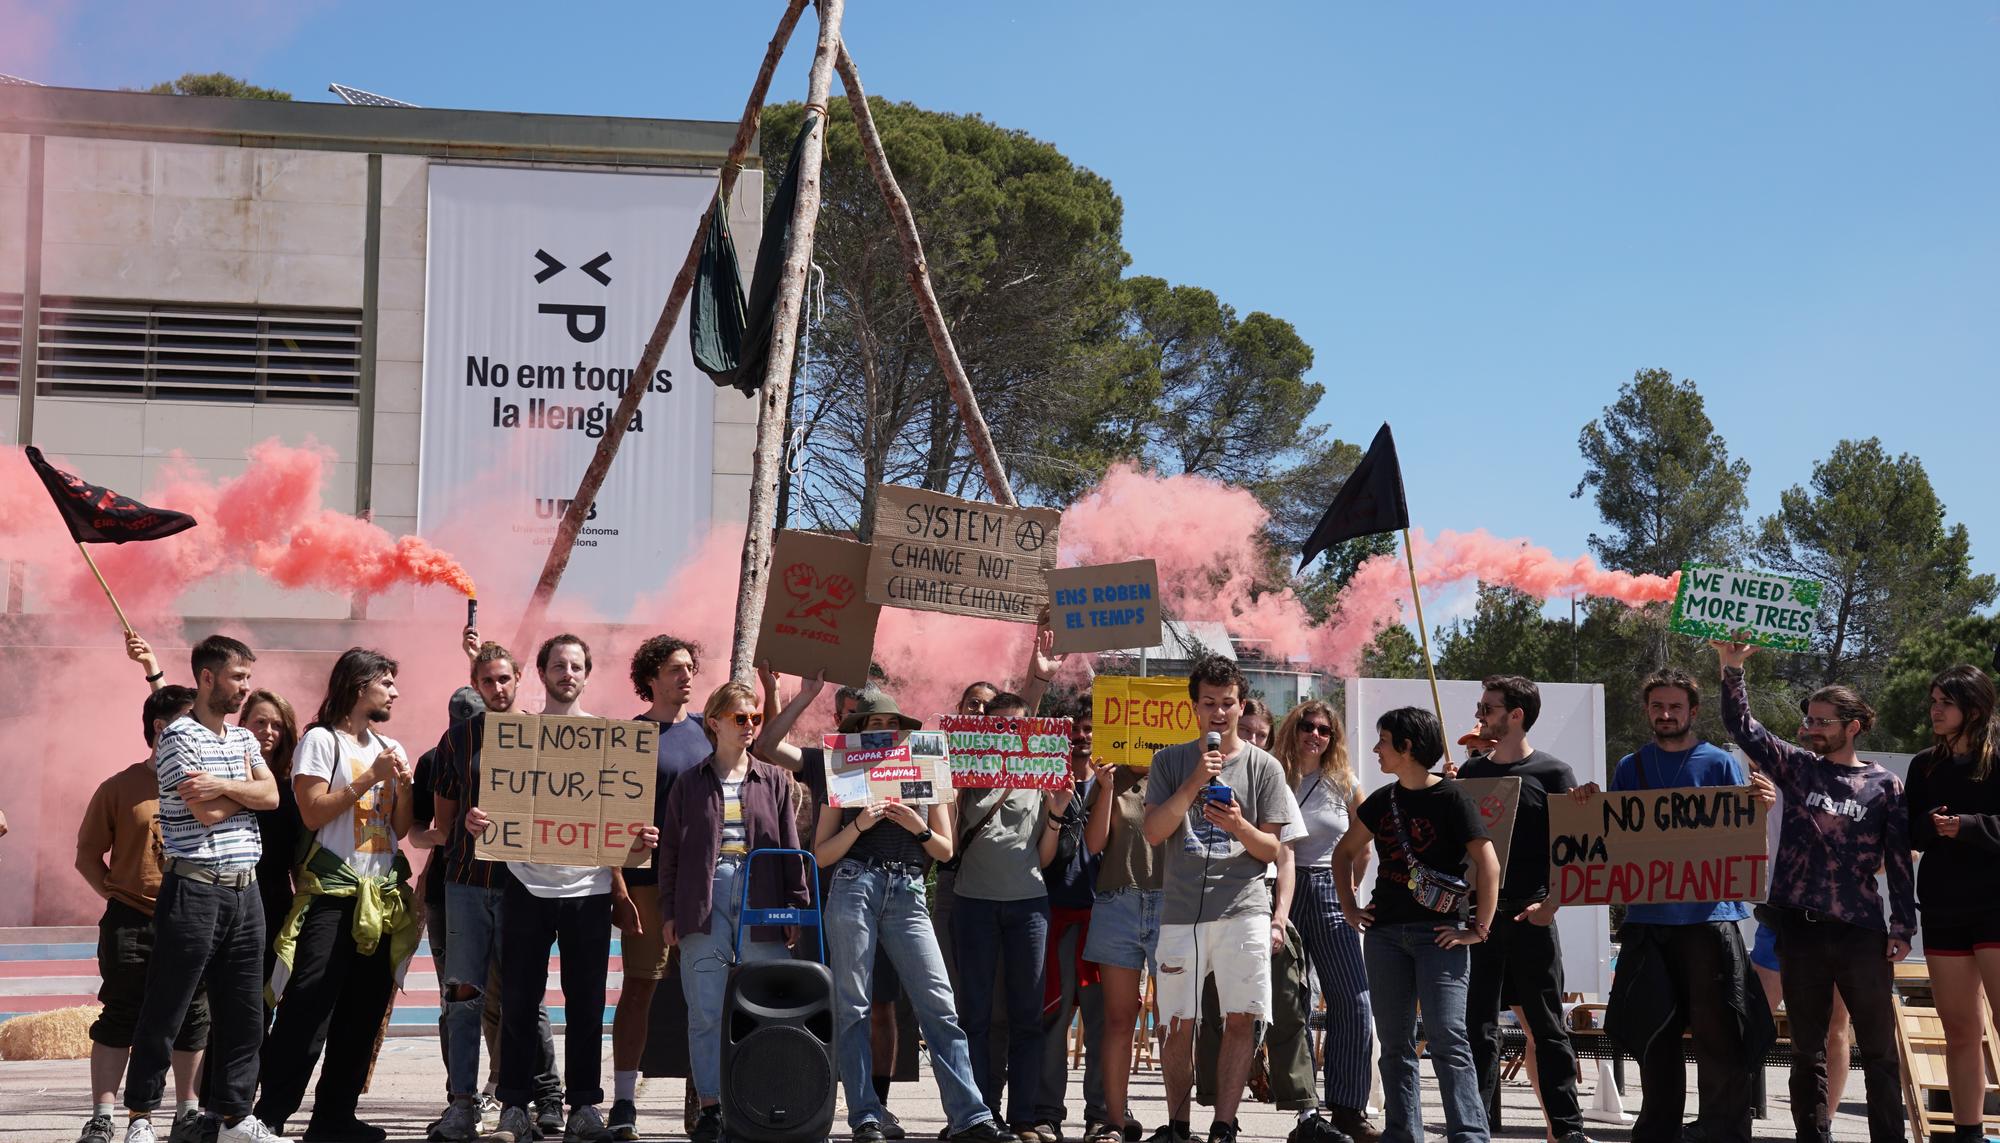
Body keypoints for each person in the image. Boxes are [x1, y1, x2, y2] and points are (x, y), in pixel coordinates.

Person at [1715, 641, 1914, 1143]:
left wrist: (1903, 927)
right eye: (1809, 720)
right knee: (1806, 1050)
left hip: (1861, 932)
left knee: (1879, 1050)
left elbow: (1898, 861)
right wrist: (1733, 669)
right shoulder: (1797, 766)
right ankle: (1813, 1135)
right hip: (1799, 930)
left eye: (1824, 721)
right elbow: (1744, 728)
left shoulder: (1884, 785)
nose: (1811, 728)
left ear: (1854, 725)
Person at [466, 634, 653, 1143]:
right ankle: (514, 1109)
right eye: (558, 665)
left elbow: (623, 813)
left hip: (588, 890)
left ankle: (585, 1108)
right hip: (526, 885)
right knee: (520, 1003)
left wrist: (639, 838)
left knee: (587, 1003)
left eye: (575, 666)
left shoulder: (610, 740)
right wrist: (481, 820)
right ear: (543, 674)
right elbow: (494, 803)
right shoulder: (516, 736)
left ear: (586, 675)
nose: (567, 673)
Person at [810, 690, 1011, 1143]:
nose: (885, 731)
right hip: (853, 884)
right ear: (858, 730)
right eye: (874, 723)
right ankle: (865, 1114)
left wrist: (914, 825)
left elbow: (944, 848)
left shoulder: (924, 764)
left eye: (892, 723)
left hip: (908, 889)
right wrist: (859, 823)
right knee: (854, 1006)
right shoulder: (841, 769)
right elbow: (820, 855)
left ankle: (970, 1116)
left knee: (939, 1003)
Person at [1580, 668, 1758, 1143]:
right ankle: (1658, 1130)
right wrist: (1587, 806)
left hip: (1709, 920)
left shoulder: (1720, 763)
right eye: (1657, 706)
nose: (1665, 714)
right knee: (1655, 1035)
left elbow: (1740, 832)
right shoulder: (1629, 767)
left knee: (1717, 1033)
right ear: (1647, 711)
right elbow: (1611, 837)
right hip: (1648, 922)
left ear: (1693, 712)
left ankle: (1723, 1130)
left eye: (1675, 707)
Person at [123, 636, 282, 1143]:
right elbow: (206, 812)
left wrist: (225, 786)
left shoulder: (242, 739)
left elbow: (274, 795)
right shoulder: (177, 737)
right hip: (194, 890)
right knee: (167, 1005)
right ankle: (141, 1117)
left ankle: (236, 1116)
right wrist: (245, 793)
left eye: (248, 679)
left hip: (245, 890)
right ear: (207, 678)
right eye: (238, 678)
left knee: (243, 1011)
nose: (245, 689)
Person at [255, 649, 418, 1142]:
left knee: (363, 1012)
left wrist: (404, 785)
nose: (394, 692)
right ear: (358, 684)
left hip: (381, 895)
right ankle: (268, 1115)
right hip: (332, 893)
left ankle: (334, 1117)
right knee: (308, 1006)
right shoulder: (320, 741)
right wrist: (372, 777)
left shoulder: (390, 744)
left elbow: (402, 827)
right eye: (386, 682)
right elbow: (311, 812)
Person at [1141, 655, 1297, 1143]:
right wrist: (1192, 782)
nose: (1219, 713)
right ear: (1193, 706)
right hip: (1181, 911)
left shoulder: (1265, 766)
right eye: (1208, 703)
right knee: (1177, 1023)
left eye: (1228, 703)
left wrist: (1238, 825)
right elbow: (1152, 832)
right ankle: (1177, 1124)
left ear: (1240, 704)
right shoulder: (1168, 761)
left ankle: (1225, 1125)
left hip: (1243, 908)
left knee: (1241, 1018)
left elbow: (1273, 848)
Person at [1333, 707, 1497, 1143]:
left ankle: (1470, 1136)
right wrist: (1350, 906)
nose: (1375, 749)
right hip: (1384, 935)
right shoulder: (1382, 800)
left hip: (1439, 937)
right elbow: (1342, 853)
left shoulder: (1453, 797)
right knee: (1394, 1047)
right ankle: (1403, 1134)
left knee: (1449, 1041)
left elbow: (1489, 864)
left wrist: (1477, 929)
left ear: (1407, 747)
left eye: (1383, 740)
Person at [657, 681, 808, 1143]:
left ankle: (765, 1103)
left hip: (761, 893)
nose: (749, 726)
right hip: (703, 896)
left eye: (755, 718)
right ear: (715, 722)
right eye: (740, 718)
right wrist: (670, 913)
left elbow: (788, 845)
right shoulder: (689, 781)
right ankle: (710, 1108)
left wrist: (795, 907)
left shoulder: (775, 779)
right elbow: (671, 856)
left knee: (770, 1008)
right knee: (705, 1010)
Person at [429, 642, 567, 1142]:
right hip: (467, 882)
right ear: (476, 684)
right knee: (462, 995)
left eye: (504, 679)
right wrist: (465, 821)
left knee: (525, 997)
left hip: (524, 884)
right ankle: (461, 1104)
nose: (498, 688)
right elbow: (442, 823)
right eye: (487, 681)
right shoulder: (458, 740)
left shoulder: (545, 736)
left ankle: (534, 1098)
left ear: (518, 679)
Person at [1456, 677, 1588, 1143]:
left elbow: (1575, 851)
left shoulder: (1555, 773)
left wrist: (1550, 905)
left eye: (1488, 707)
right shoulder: (1470, 774)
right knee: (1478, 1032)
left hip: (1530, 920)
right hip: (1481, 923)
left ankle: (1567, 1131)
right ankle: (1477, 1130)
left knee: (1548, 1031)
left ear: (1516, 715)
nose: (1480, 714)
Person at [76, 685, 209, 1143]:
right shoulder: (119, 787)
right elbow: (88, 856)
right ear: (161, 727)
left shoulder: (208, 781)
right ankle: (103, 1117)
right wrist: (117, 894)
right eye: (192, 721)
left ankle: (187, 1113)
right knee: (121, 1013)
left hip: (194, 912)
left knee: (193, 1013)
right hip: (132, 920)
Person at [954, 690, 1072, 1137]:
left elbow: (1042, 858)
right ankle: (979, 1114)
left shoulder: (1040, 776)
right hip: (973, 903)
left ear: (1027, 731)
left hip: (1028, 906)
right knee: (975, 1017)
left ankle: (1023, 1117)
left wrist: (1057, 812)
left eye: (1014, 727)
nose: (1004, 734)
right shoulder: (964, 774)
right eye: (996, 726)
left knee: (1027, 1016)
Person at [609, 635, 712, 1142]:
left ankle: (707, 1103)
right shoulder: (631, 737)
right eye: (675, 668)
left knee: (706, 994)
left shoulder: (709, 731)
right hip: (646, 883)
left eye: (691, 667)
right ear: (650, 678)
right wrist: (618, 885)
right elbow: (606, 820)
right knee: (640, 989)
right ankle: (624, 1102)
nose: (686, 675)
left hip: (703, 886)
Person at [1192, 700, 1315, 1124]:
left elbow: (1285, 860)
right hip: (1212, 903)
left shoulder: (1271, 779)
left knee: (1286, 1005)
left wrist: (1280, 919)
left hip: (1261, 905)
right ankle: (1217, 1110)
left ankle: (1303, 1111)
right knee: (1216, 1013)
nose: (1253, 739)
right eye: (1247, 730)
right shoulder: (1201, 775)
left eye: (1262, 734)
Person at [1271, 701, 1377, 1143]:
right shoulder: (1271, 773)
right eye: (1308, 726)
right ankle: (1305, 1113)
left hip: (1331, 891)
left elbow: (1363, 848)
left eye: (1325, 730)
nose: (1315, 735)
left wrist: (1349, 898)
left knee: (1353, 1002)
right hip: (1281, 891)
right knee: (1291, 1003)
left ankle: (1349, 1108)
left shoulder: (1346, 783)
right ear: (1293, 728)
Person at [1905, 664, 2000, 1143]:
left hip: (1995, 909)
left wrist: (1967, 825)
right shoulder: (1925, 765)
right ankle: (1968, 1134)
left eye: (1945, 702)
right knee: (1959, 1031)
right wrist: (1929, 826)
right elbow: (1908, 832)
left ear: (1975, 710)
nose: (1935, 710)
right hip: (1943, 910)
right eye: (1933, 700)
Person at [1082, 696, 1165, 1143]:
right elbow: (1093, 846)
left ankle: (1177, 1123)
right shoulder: (1109, 779)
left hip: (1172, 905)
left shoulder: (1178, 774)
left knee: (1175, 1020)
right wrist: (1107, 787)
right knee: (1118, 1019)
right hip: (1118, 903)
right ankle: (1113, 1121)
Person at [1034, 703, 1107, 1143]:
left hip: (1103, 916)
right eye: (1073, 731)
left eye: (1088, 730)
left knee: (1103, 1023)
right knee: (1052, 1021)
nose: (1080, 737)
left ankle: (1102, 1113)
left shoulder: (1114, 784)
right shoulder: (1044, 782)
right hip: (1052, 914)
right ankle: (1046, 1113)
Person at [237, 691, 303, 1005]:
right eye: (260, 722)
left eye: (277, 724)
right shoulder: (225, 778)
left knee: (262, 1002)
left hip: (274, 904)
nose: (268, 731)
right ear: (243, 725)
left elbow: (299, 863)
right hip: (228, 899)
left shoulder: (294, 788)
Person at [1747, 926, 1852, 1123]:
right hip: (1783, 916)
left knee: (1835, 1026)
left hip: (1840, 919)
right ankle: (1729, 1117)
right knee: (1751, 1021)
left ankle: (1823, 1124)